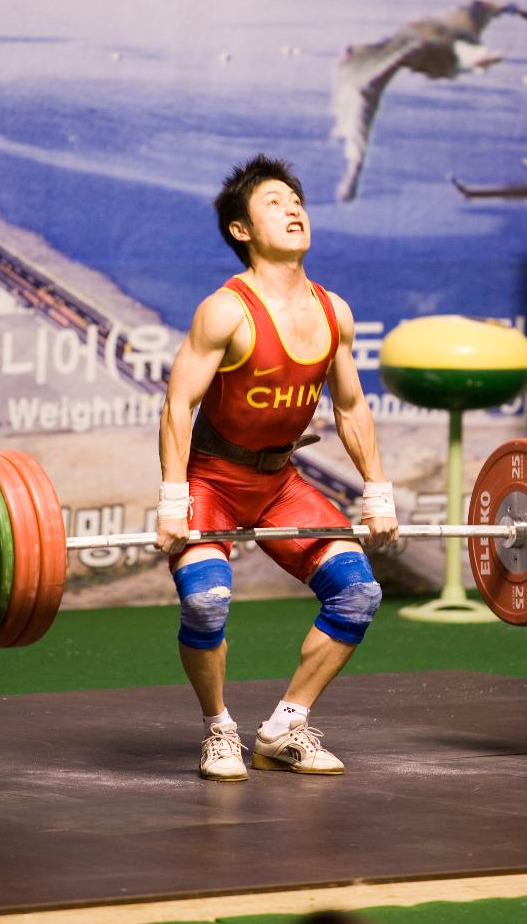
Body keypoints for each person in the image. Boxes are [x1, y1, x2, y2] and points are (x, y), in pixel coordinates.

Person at [156, 154, 399, 781]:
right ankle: (219, 730)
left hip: (278, 485)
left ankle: (286, 725)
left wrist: (377, 490)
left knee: (358, 592)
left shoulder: (333, 312)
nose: (293, 208)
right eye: (272, 202)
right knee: (207, 602)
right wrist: (172, 498)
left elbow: (349, 407)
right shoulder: (225, 311)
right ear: (241, 230)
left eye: (296, 199)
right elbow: (178, 403)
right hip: (211, 480)